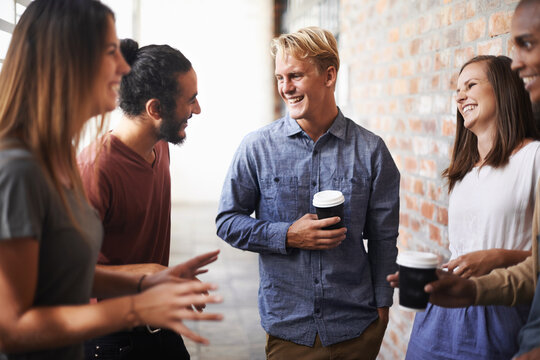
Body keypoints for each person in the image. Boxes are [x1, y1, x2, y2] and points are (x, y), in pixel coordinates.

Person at [0, 1, 222, 359]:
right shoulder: (19, 169)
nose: (123, 67)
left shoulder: (57, 158)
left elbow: (65, 271)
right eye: (110, 52)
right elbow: (10, 329)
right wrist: (134, 308)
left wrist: (148, 280)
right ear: (68, 64)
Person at [216, 26, 400, 359]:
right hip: (289, 328)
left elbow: (384, 239)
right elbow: (227, 222)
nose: (285, 88)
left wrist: (382, 308)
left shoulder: (372, 151)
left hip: (357, 327)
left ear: (329, 76)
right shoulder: (256, 147)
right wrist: (287, 235)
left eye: (296, 75)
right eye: (279, 77)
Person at [389, 1, 540, 359]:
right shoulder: (465, 172)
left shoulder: (533, 157)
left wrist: (499, 257)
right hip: (445, 309)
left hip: (499, 309)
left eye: (471, 85)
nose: (460, 96)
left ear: (503, 89)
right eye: (457, 89)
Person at [78, 39, 206, 359]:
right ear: (155, 109)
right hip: (110, 340)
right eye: (190, 100)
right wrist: (149, 273)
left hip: (157, 324)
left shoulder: (159, 146)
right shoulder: (94, 169)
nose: (198, 109)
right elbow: (68, 276)